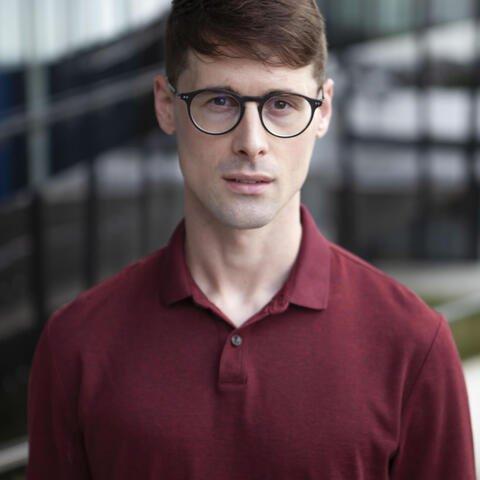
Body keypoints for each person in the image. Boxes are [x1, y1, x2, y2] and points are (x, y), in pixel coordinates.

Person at [26, 0, 476, 478]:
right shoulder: (78, 344)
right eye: (220, 101)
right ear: (166, 105)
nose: (252, 141)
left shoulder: (412, 344)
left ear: (323, 111)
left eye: (281, 104)